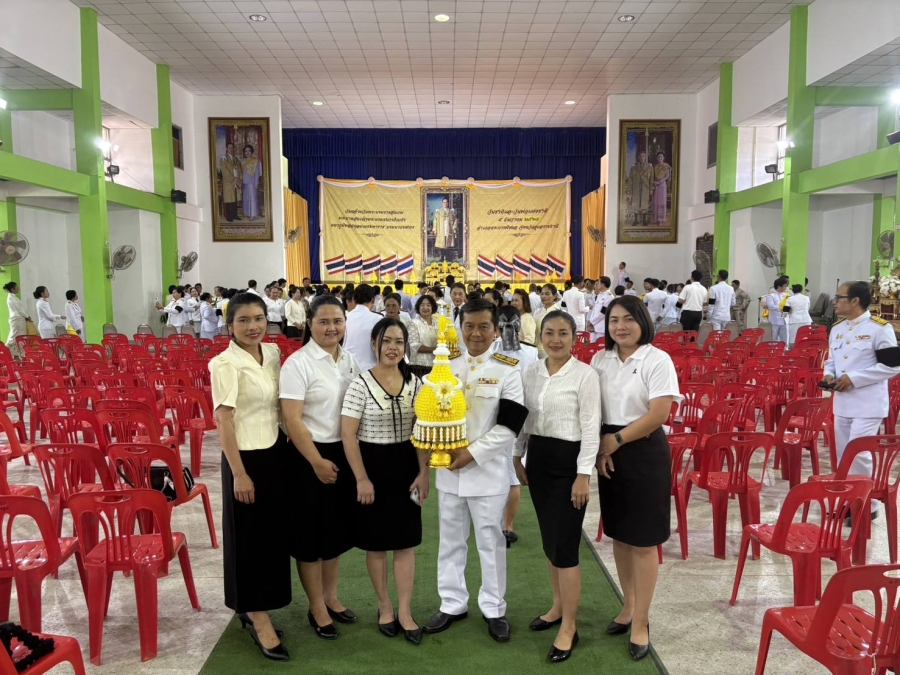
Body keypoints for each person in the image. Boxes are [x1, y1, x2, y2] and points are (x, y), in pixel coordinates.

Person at [423, 299, 528, 643]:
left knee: (490, 542)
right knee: (450, 542)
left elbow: (509, 426)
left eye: (484, 326)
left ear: (496, 330)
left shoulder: (507, 369)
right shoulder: (446, 365)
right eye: (469, 326)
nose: (476, 333)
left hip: (487, 472)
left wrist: (472, 453)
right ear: (460, 328)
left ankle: (494, 607)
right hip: (449, 472)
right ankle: (452, 603)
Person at [591, 295, 679, 662]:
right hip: (609, 451)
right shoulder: (600, 359)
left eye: (628, 319)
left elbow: (659, 413)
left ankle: (641, 621)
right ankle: (628, 606)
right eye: (614, 320)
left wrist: (617, 440)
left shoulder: (657, 360)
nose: (620, 326)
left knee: (643, 541)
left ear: (642, 320)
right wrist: (601, 448)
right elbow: (593, 409)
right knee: (620, 535)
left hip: (643, 451)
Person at [514, 310, 600, 663]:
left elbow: (591, 428)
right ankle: (557, 606)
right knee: (551, 541)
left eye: (563, 333)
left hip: (569, 465)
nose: (555, 339)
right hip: (539, 460)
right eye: (549, 332)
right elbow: (524, 419)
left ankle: (570, 627)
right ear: (540, 336)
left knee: (565, 547)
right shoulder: (531, 372)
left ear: (574, 338)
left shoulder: (585, 375)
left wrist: (583, 474)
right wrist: (517, 455)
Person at [211, 292, 291, 661]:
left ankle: (261, 603)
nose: (253, 326)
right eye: (243, 320)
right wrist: (239, 473)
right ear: (230, 325)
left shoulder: (272, 353)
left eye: (258, 318)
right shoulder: (224, 364)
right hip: (244, 458)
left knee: (271, 535)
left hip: (274, 452)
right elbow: (223, 421)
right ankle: (256, 616)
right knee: (247, 538)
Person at [341, 318, 429, 645]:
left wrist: (424, 473)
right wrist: (361, 478)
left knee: (406, 542)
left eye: (399, 342)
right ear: (374, 344)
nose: (393, 347)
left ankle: (405, 610)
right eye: (387, 341)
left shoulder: (416, 384)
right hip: (372, 467)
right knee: (376, 544)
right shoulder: (360, 384)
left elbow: (422, 432)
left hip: (406, 466)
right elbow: (348, 435)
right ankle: (384, 606)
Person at [280, 295, 360, 640]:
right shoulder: (297, 364)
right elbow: (292, 419)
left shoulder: (350, 360)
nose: (331, 328)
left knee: (335, 532)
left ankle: (331, 596)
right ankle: (316, 606)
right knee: (309, 537)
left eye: (337, 321)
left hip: (343, 452)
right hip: (307, 457)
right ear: (309, 324)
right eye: (323, 322)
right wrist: (315, 461)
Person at [825, 281, 900, 516]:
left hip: (868, 403)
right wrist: (828, 374)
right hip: (843, 402)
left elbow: (892, 366)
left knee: (858, 453)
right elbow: (832, 360)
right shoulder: (837, 328)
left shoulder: (879, 328)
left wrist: (854, 378)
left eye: (839, 297)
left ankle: (865, 504)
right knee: (842, 453)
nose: (835, 302)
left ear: (855, 301)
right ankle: (848, 499)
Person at [493, 306, 538, 548]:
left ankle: (507, 525)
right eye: (504, 325)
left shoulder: (531, 354)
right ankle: (493, 521)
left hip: (517, 420)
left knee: (511, 474)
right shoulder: (490, 350)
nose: (509, 329)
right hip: (491, 418)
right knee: (493, 472)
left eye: (513, 324)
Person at [344, 285, 382, 372]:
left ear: (354, 299)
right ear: (373, 300)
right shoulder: (378, 319)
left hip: (347, 368)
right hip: (369, 369)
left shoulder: (344, 318)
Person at [408, 295, 438, 379]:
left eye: (428, 305)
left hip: (436, 365)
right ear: (418, 307)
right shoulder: (414, 323)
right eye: (422, 305)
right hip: (419, 367)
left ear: (433, 307)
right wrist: (436, 349)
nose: (425, 308)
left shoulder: (438, 322)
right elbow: (414, 345)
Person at [4, 282, 31, 357]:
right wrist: (27, 316)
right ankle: (4, 350)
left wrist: (25, 317)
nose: (18, 289)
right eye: (17, 287)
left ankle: (16, 355)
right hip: (17, 319)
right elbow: (19, 310)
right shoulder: (11, 298)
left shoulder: (13, 297)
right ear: (12, 289)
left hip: (19, 319)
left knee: (19, 338)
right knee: (15, 337)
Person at [534, 284, 561, 357]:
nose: (543, 296)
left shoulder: (558, 313)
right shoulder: (537, 312)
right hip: (535, 349)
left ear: (554, 296)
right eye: (542, 294)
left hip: (550, 351)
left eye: (547, 294)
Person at [219, 141, 243, 222]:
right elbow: (224, 170)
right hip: (229, 181)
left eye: (232, 148)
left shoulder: (236, 159)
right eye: (229, 148)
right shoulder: (223, 158)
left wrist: (239, 179)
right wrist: (233, 178)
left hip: (236, 181)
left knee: (235, 198)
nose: (231, 149)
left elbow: (240, 169)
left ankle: (235, 215)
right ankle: (229, 216)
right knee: (229, 199)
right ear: (226, 149)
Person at [586, 277, 614, 342]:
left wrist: (591, 322)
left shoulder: (609, 297)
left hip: (601, 327)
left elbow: (603, 313)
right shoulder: (600, 295)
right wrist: (590, 321)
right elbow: (594, 310)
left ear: (603, 285)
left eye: (598, 283)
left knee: (600, 346)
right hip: (594, 326)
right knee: (592, 345)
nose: (597, 285)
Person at [765, 277, 789, 343]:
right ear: (779, 286)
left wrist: (784, 315)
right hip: (774, 320)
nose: (785, 288)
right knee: (773, 339)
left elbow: (788, 306)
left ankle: (784, 349)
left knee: (784, 339)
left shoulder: (786, 295)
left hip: (784, 320)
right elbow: (771, 306)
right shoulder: (771, 296)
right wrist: (781, 308)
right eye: (784, 286)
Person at [242, 144, 262, 220]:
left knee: (252, 198)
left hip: (252, 183)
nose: (247, 152)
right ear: (244, 152)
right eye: (246, 151)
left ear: (252, 152)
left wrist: (256, 183)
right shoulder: (242, 161)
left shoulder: (255, 161)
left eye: (249, 151)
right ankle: (247, 213)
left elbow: (257, 173)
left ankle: (252, 214)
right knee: (246, 198)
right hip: (244, 182)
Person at [651, 152, 672, 226]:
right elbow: (652, 176)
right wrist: (654, 182)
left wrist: (660, 181)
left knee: (661, 202)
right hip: (655, 185)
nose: (660, 158)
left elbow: (667, 176)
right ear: (657, 158)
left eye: (661, 156)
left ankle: (661, 220)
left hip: (662, 185)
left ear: (663, 158)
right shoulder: (655, 166)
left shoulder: (666, 166)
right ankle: (655, 218)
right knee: (655, 201)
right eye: (658, 157)